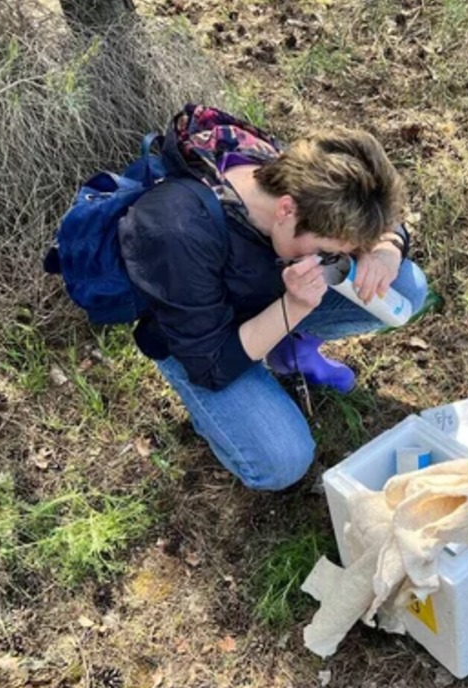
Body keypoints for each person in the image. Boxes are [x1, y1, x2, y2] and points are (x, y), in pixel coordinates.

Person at [118, 105, 428, 491]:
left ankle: (289, 350)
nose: (335, 260)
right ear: (286, 209)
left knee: (405, 286)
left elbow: (379, 220)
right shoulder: (177, 230)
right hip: (204, 342)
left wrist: (385, 250)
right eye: (327, 251)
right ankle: (217, 418)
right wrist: (293, 308)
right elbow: (210, 363)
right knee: (283, 462)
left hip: (270, 293)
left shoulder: (304, 179)